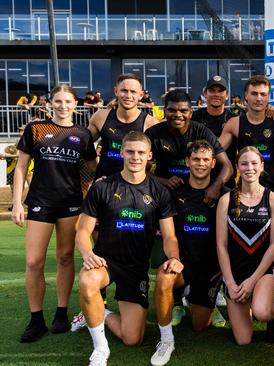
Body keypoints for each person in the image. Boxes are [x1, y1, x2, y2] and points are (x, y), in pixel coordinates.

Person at [76, 131, 182, 366]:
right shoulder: (102, 187)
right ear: (122, 152)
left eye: (141, 152)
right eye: (130, 151)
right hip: (106, 261)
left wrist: (173, 257)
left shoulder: (159, 192)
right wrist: (88, 253)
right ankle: (100, 349)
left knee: (132, 338)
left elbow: (170, 235)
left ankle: (95, 312)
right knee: (87, 280)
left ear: (150, 156)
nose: (135, 157)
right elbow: (82, 231)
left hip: (135, 268)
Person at [11, 84, 98, 343]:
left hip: (70, 203)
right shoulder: (35, 129)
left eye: (67, 101)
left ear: (75, 104)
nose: (62, 106)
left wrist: (88, 190)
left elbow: (92, 167)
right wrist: (17, 203)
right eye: (57, 101)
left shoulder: (82, 134)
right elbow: (21, 166)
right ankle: (36, 318)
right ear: (50, 103)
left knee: (64, 258)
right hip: (40, 202)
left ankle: (61, 312)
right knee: (33, 262)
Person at [219, 75, 274, 320]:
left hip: (272, 192)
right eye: (254, 94)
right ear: (245, 97)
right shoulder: (234, 123)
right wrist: (224, 170)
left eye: (263, 94)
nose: (259, 98)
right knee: (236, 242)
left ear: (269, 96)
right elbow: (217, 150)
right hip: (243, 194)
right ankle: (233, 286)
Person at [216, 146, 274, 344]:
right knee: (243, 340)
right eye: (244, 163)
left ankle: (272, 315)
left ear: (262, 166)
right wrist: (230, 283)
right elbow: (221, 245)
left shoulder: (273, 199)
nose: (249, 168)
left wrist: (252, 281)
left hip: (262, 272)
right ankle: (245, 300)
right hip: (235, 272)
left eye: (254, 163)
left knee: (262, 312)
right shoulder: (226, 200)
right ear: (237, 167)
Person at [163, 140, 225, 331]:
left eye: (206, 159)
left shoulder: (225, 195)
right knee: (165, 276)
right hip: (182, 264)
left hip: (210, 267)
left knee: (199, 326)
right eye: (196, 159)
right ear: (187, 161)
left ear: (213, 163)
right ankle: (177, 303)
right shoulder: (174, 194)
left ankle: (208, 301)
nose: (201, 164)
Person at [145, 89, 232, 205]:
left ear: (191, 113)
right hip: (165, 191)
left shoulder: (202, 132)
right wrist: (163, 181)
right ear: (164, 111)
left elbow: (227, 166)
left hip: (200, 191)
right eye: (172, 110)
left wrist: (215, 187)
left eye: (183, 111)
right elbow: (138, 169)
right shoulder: (153, 134)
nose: (178, 115)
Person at [88, 74, 160, 181]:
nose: (128, 95)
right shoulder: (100, 117)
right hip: (104, 183)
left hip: (134, 187)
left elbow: (156, 159)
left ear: (140, 95)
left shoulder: (151, 123)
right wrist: (93, 167)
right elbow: (84, 144)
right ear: (116, 91)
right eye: (124, 90)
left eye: (133, 92)